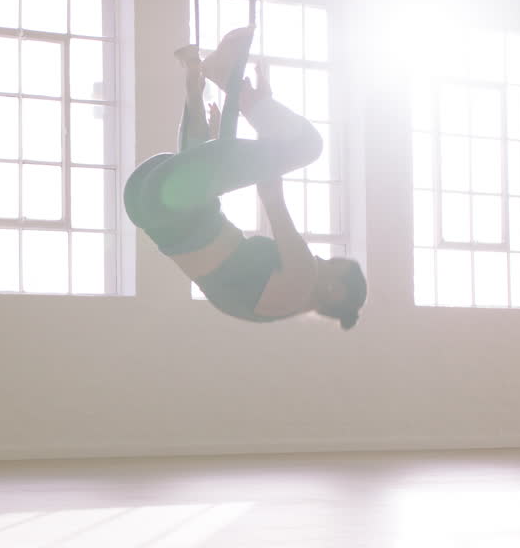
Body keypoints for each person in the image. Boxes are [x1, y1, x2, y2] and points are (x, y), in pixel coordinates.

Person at [124, 27, 367, 328]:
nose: (319, 258)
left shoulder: (302, 279)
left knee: (308, 146)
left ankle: (226, 79)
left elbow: (270, 190)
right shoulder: (269, 308)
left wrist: (262, 111)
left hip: (170, 202)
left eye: (329, 263)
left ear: (335, 290)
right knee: (203, 178)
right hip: (144, 203)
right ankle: (195, 80)